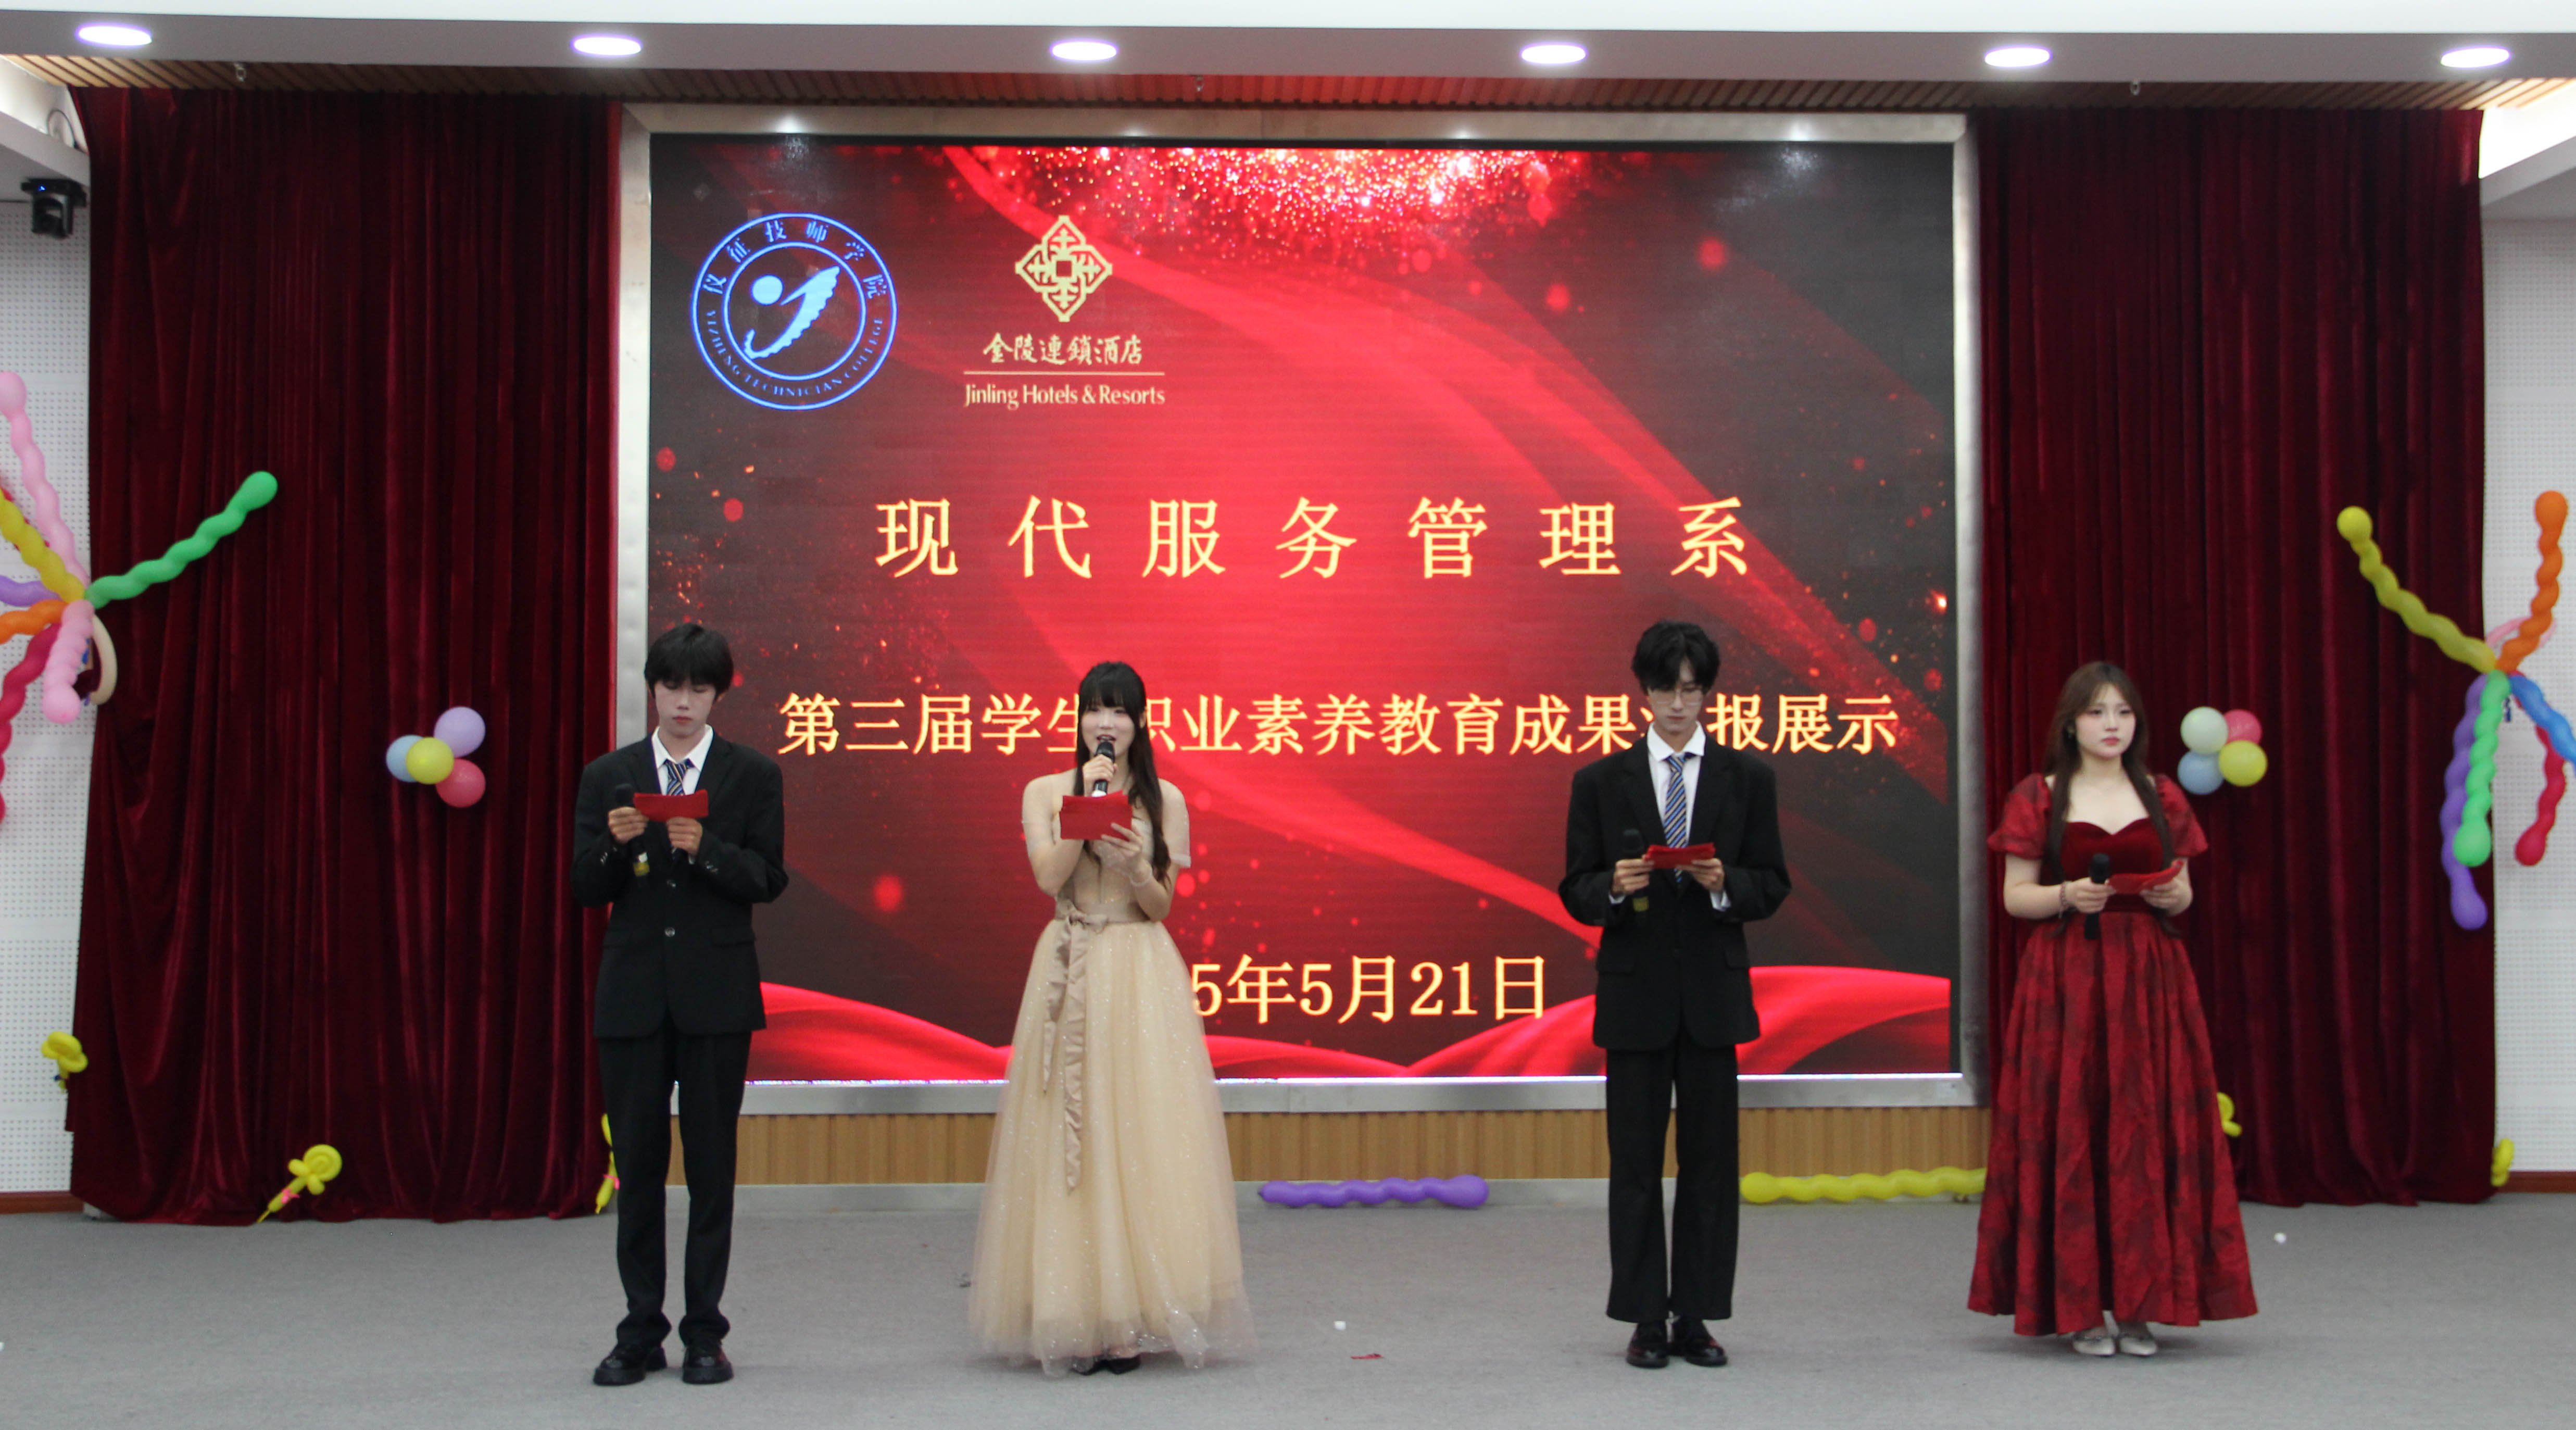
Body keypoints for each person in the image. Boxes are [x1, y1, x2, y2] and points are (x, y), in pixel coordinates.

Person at [969, 661, 1253, 1377]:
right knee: (1068, 1126)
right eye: (1095, 710)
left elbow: (1161, 906)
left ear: (1140, 723)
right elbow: (1047, 876)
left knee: (1137, 1124)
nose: (1106, 723)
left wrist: (1135, 866)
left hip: (1137, 965)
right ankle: (1076, 1311)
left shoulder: (1166, 799)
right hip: (1069, 961)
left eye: (1120, 711)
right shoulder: (1046, 790)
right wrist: (1084, 812)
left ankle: (1130, 1316)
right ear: (1078, 720)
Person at [1972, 661, 2256, 1356]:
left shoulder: (2162, 793)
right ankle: (2076, 1306)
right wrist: (2067, 895)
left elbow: (2184, 889)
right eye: (2097, 712)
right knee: (2074, 1125)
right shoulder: (2038, 795)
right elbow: (2015, 896)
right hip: (2067, 977)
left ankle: (2140, 1304)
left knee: (2144, 1129)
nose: (2112, 725)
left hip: (2150, 978)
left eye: (2123, 713)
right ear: (2071, 724)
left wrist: (2172, 895)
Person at [1559, 619, 1791, 1371]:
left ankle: (1696, 1316)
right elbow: (1575, 887)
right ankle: (1644, 1319)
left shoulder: (1747, 778)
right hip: (1636, 1000)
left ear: (1708, 693)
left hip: (1713, 1001)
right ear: (1645, 692)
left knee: (1710, 1164)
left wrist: (1726, 885)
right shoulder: (1602, 781)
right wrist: (1613, 887)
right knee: (1634, 1165)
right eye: (1667, 688)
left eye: (1693, 689)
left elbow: (1772, 882)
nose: (1680, 703)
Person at [571, 623, 789, 1387]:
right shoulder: (611, 775)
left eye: (699, 689)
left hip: (716, 996)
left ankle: (705, 1332)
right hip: (633, 996)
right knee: (637, 1167)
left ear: (718, 694)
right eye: (672, 687)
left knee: (710, 1169)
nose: (684, 703)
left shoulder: (751, 775)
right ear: (653, 690)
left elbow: (769, 878)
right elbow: (584, 885)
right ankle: (639, 1332)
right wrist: (613, 845)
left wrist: (709, 850)